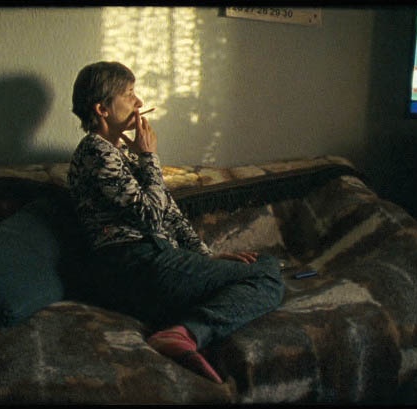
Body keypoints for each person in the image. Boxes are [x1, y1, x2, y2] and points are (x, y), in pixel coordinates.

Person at [67, 61, 285, 384]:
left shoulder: (121, 154)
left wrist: (207, 257)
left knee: (266, 266)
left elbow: (169, 213)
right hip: (131, 265)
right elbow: (150, 216)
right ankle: (186, 333)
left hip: (154, 260)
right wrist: (150, 158)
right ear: (102, 109)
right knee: (266, 276)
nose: (139, 102)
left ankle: (181, 330)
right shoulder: (95, 153)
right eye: (129, 94)